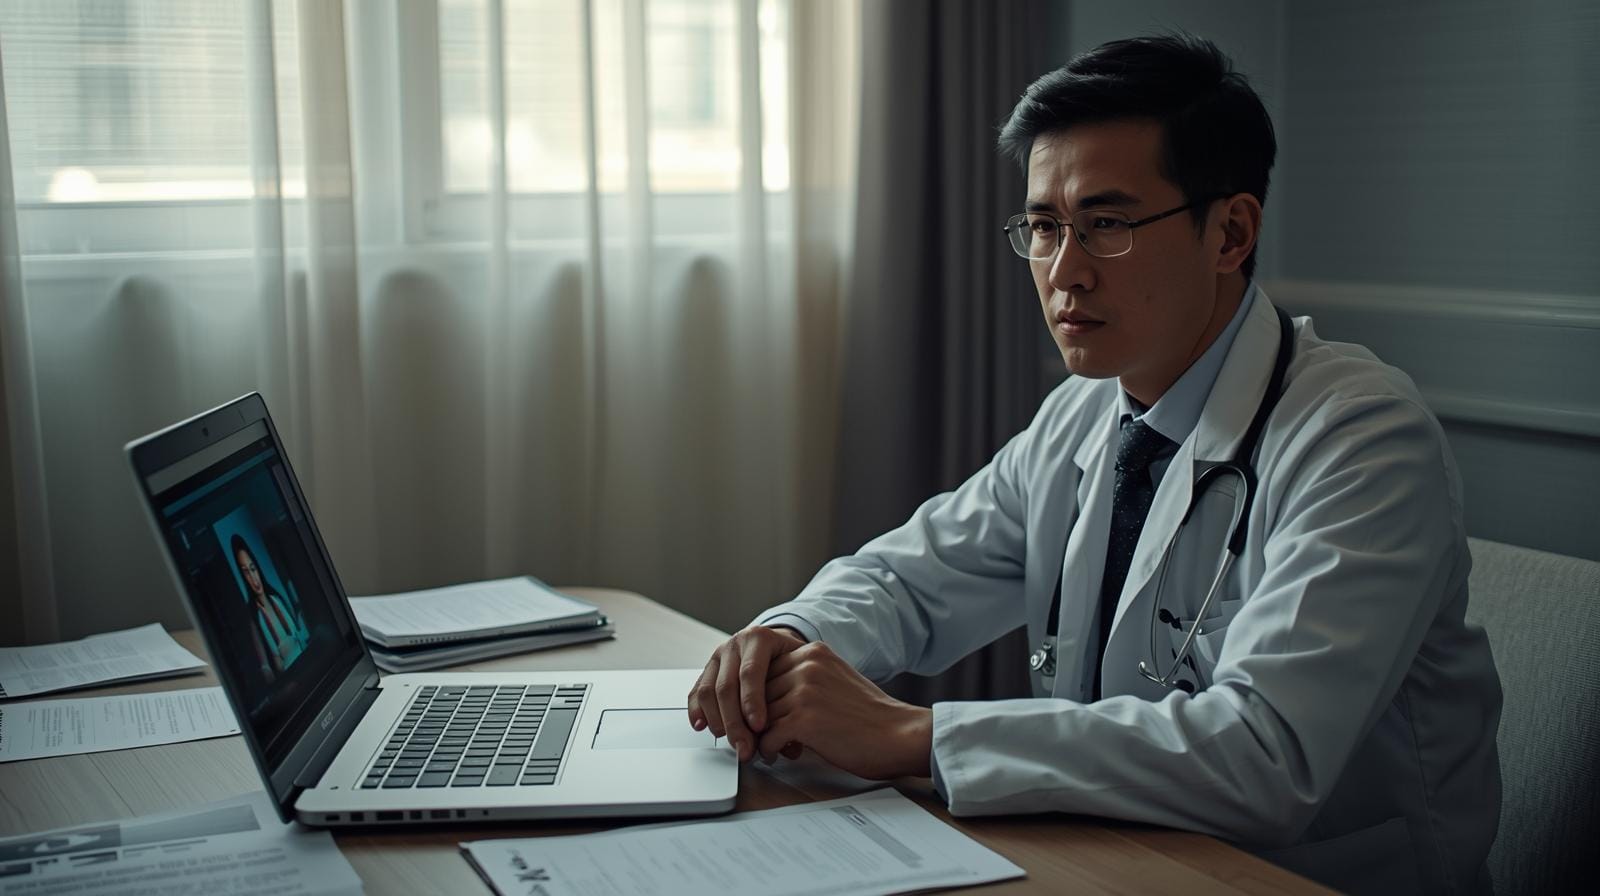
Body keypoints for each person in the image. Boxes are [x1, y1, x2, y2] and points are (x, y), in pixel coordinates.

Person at [686, 34, 1501, 895]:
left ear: (1230, 232)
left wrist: (911, 736)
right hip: (1114, 860)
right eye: (1043, 227)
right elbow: (910, 580)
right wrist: (791, 639)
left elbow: (1266, 753)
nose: (1064, 273)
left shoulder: (1362, 437)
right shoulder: (1083, 413)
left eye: (1106, 224)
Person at [231, 534, 310, 673]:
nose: (253, 578)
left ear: (258, 568)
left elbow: (299, 635)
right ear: (243, 576)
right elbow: (268, 668)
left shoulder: (276, 599)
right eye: (246, 572)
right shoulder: (255, 618)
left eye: (253, 569)